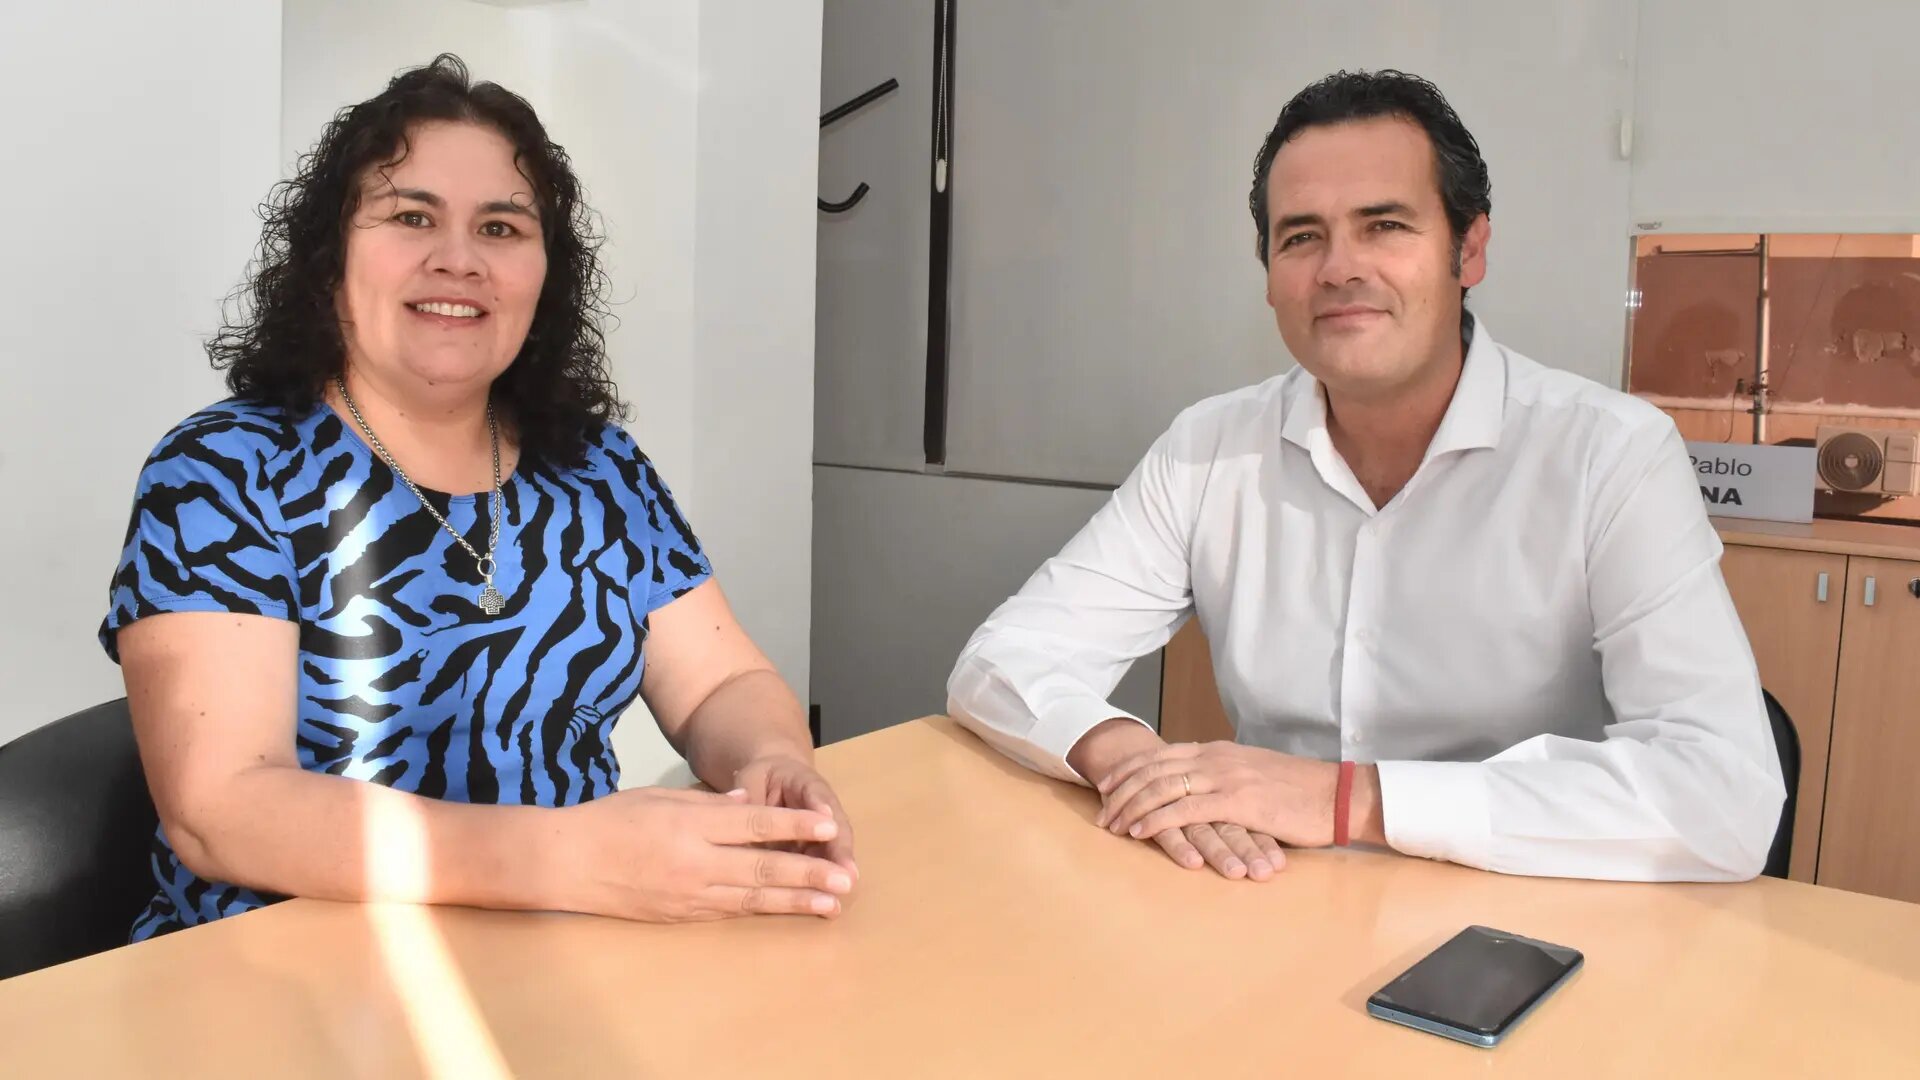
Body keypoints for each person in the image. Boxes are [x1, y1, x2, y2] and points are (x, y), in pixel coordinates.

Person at [946, 69, 1783, 884]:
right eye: (1301, 237)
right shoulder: (1209, 448)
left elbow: (1725, 795)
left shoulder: (1611, 454)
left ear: (1470, 249)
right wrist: (1127, 755)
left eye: (1384, 225)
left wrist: (1350, 801)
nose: (1339, 268)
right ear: (1270, 274)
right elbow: (1005, 660)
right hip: (1270, 899)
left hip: (1518, 917)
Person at [102, 55, 855, 940]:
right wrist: (571, 859)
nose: (458, 260)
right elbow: (222, 809)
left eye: (501, 227)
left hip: (569, 949)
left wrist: (773, 762)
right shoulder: (224, 470)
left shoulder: (598, 469)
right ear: (330, 257)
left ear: (545, 274)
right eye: (411, 216)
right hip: (280, 970)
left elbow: (722, 681)